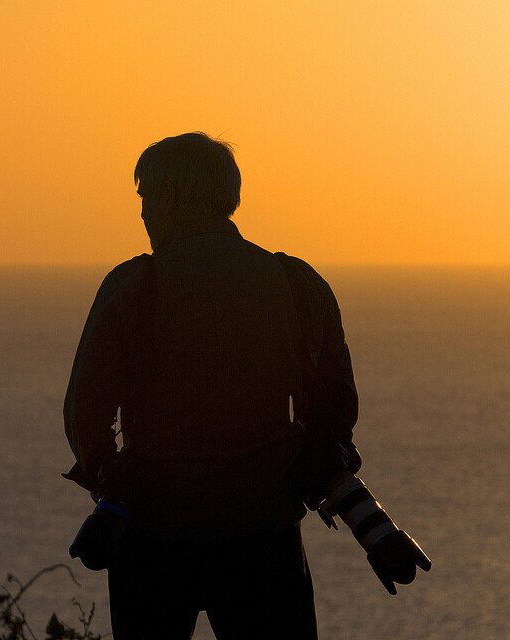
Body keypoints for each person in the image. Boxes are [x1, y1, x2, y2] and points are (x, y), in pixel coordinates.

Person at [63, 132, 427, 639]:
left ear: (168, 196)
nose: (142, 213)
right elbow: (335, 413)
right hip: (265, 541)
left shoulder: (132, 287)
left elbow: (84, 412)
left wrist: (113, 493)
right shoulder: (298, 284)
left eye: (145, 196)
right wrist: (361, 514)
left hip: (153, 539)